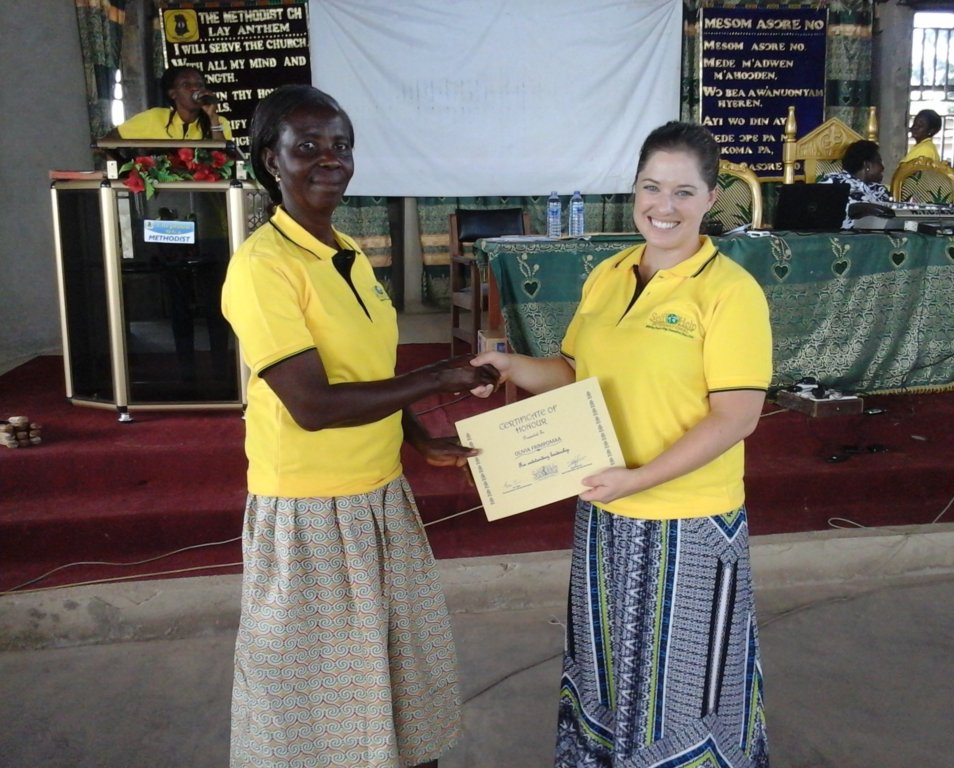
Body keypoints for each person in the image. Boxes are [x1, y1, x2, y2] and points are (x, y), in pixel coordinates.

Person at [471, 122, 771, 767]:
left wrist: (639, 478)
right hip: (606, 514)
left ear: (710, 198)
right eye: (651, 187)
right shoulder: (607, 274)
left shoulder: (730, 292)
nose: (664, 206)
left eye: (684, 192)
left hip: (689, 522)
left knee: (683, 697)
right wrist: (512, 366)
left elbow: (737, 417)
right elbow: (574, 372)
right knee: (609, 680)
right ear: (633, 190)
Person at [221, 84, 497, 767]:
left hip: (379, 497)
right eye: (308, 146)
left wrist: (418, 436)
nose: (330, 159)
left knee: (402, 684)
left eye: (341, 145)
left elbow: (365, 372)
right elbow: (313, 405)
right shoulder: (263, 267)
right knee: (321, 713)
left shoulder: (344, 251)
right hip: (312, 512)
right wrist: (437, 379)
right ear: (271, 161)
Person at [110, 65, 231, 140]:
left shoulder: (220, 122)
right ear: (173, 94)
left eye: (199, 85)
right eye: (186, 85)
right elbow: (108, 142)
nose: (195, 88)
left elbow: (226, 161)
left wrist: (213, 118)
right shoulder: (154, 117)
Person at [820, 139, 894, 228]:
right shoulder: (834, 182)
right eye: (879, 162)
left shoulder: (879, 189)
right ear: (867, 165)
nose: (882, 167)